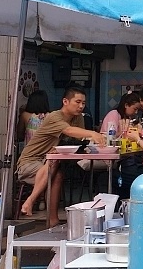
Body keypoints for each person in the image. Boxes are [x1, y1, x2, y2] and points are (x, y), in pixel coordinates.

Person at [17, 86, 107, 226]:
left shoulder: (78, 118)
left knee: (57, 171)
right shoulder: (54, 117)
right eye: (77, 102)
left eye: (83, 103)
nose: (81, 106)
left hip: (51, 160)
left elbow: (77, 140)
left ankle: (51, 219)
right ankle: (31, 200)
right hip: (29, 162)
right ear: (65, 101)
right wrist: (92, 133)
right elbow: (69, 131)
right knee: (54, 166)